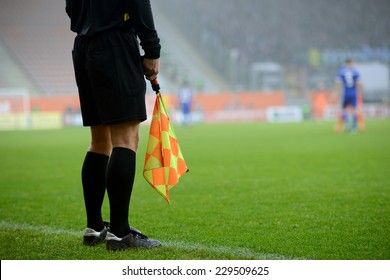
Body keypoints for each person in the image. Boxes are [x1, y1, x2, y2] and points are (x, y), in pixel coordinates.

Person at [65, 0, 161, 250]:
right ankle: (119, 233)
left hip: (84, 48)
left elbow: (70, 7)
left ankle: (94, 227)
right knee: (126, 140)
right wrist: (152, 49)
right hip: (115, 46)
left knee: (100, 142)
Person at [334, 58, 364, 133]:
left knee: (343, 109)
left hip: (345, 93)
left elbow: (338, 83)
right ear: (351, 63)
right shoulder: (355, 71)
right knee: (355, 110)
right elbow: (359, 83)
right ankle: (353, 127)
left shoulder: (342, 71)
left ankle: (347, 123)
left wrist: (336, 92)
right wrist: (361, 91)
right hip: (354, 93)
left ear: (346, 63)